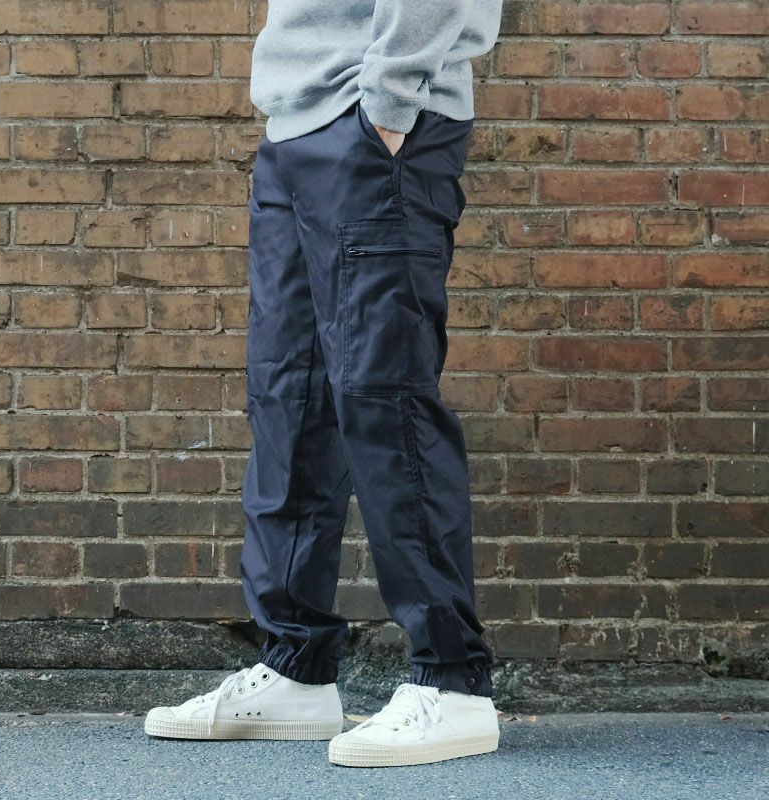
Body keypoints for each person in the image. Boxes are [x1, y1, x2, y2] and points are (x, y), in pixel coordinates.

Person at [145, 0, 504, 767]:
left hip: (378, 117)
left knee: (384, 393)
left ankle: (452, 680)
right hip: (296, 122)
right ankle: (295, 665)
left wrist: (390, 98)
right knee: (289, 395)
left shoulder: (386, 107)